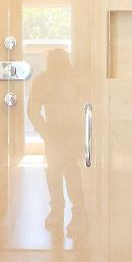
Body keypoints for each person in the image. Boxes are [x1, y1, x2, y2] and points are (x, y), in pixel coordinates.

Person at [26, 48, 87, 229]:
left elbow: (33, 111)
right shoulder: (47, 80)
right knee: (61, 172)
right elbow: (33, 110)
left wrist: (44, 129)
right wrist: (44, 130)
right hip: (57, 133)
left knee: (63, 172)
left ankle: (70, 213)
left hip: (66, 132)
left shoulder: (71, 79)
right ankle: (68, 212)